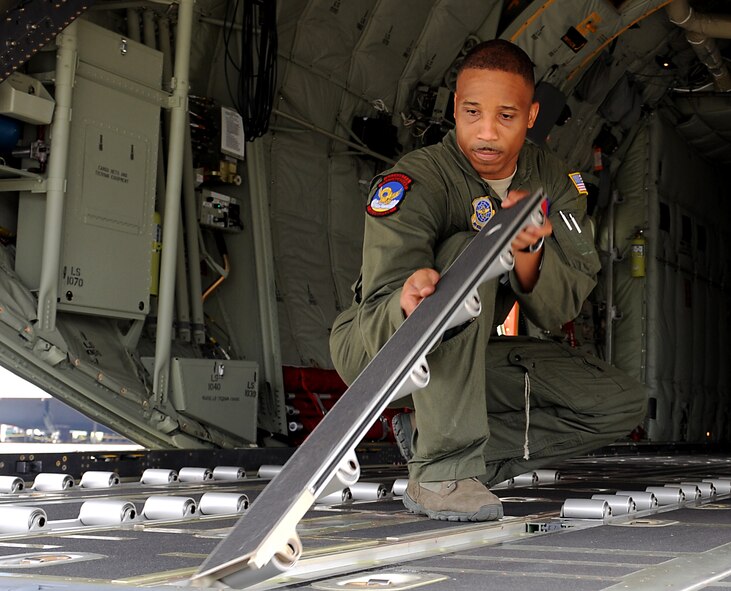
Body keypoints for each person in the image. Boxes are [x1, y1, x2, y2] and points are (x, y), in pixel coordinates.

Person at [329, 39, 647, 522]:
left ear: (532, 115)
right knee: (468, 250)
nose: (486, 133)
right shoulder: (419, 179)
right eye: (473, 112)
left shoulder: (555, 183)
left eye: (506, 116)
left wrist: (529, 256)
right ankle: (441, 471)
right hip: (382, 351)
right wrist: (411, 302)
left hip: (469, 359)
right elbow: (380, 302)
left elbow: (559, 308)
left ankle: (436, 440)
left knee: (617, 403)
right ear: (456, 107)